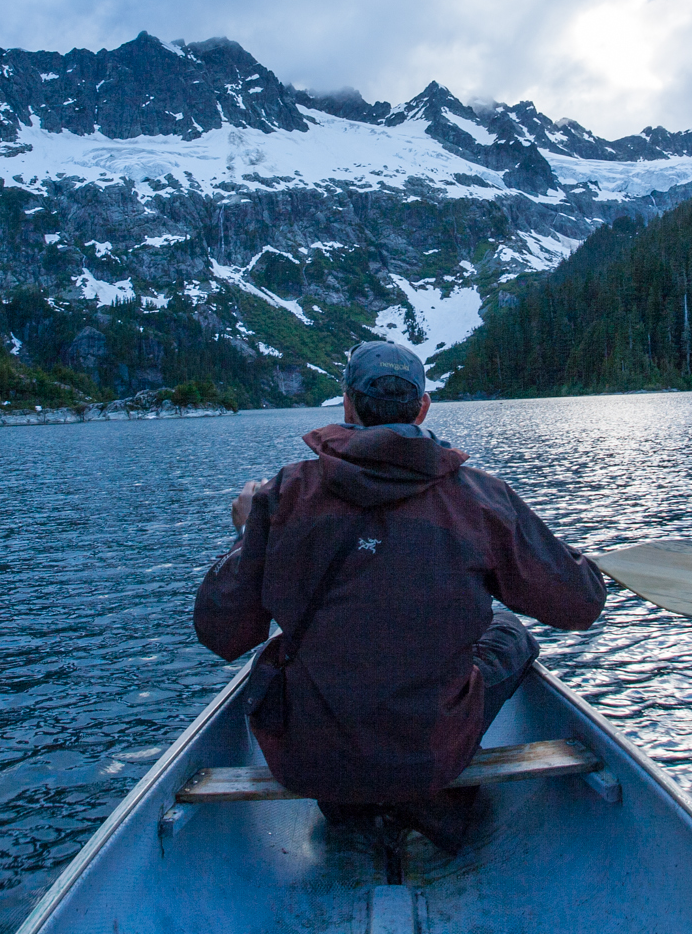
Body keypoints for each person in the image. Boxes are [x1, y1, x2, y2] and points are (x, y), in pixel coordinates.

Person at [192, 340, 605, 848]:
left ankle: (355, 801)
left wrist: (245, 533)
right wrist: (564, 559)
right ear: (423, 407)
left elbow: (220, 633)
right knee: (508, 631)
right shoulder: (480, 498)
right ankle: (428, 797)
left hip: (308, 757)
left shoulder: (283, 495)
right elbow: (582, 603)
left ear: (347, 405)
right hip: (432, 751)